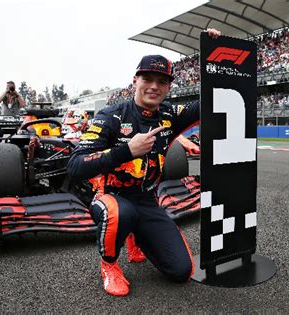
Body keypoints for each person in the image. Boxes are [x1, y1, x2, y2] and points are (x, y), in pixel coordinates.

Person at [67, 28, 220, 296]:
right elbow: (75, 165)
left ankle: (136, 235)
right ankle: (109, 265)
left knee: (181, 271)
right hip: (109, 195)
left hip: (147, 200)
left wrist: (212, 57)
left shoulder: (170, 114)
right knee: (120, 213)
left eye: (162, 82)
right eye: (147, 78)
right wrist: (126, 151)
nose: (154, 86)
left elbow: (209, 101)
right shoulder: (110, 115)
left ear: (169, 86)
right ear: (135, 80)